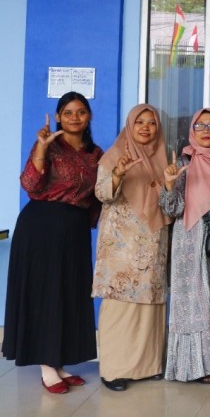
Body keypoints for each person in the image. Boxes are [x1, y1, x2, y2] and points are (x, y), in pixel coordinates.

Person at [2, 93, 103, 394]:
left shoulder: (96, 154)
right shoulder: (48, 146)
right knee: (45, 294)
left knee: (68, 294)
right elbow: (31, 186)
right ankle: (47, 366)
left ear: (89, 117)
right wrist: (41, 150)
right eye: (68, 112)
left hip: (74, 231)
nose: (74, 117)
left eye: (81, 112)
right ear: (58, 117)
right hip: (41, 228)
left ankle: (58, 362)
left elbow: (97, 196)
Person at [159, 108, 210, 383]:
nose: (206, 130)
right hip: (192, 245)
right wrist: (169, 185)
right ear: (192, 131)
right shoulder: (184, 162)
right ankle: (196, 366)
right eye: (200, 125)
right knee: (196, 304)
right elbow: (173, 209)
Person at [92, 104, 170, 392]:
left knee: (149, 306)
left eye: (151, 123)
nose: (146, 128)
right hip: (122, 247)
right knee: (121, 306)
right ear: (130, 125)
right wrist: (118, 174)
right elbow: (101, 193)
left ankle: (148, 367)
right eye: (140, 122)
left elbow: (170, 201)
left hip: (154, 243)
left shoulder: (163, 159)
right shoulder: (113, 156)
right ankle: (113, 370)